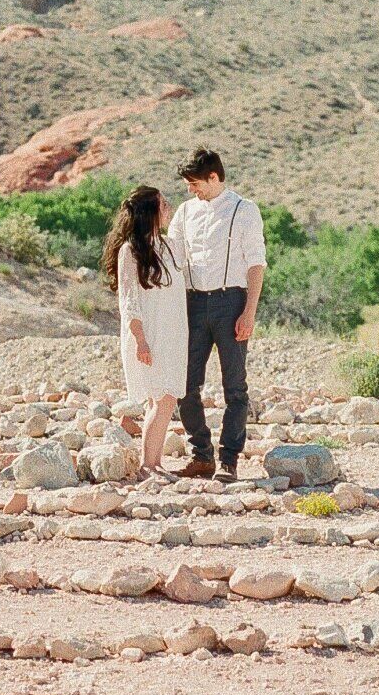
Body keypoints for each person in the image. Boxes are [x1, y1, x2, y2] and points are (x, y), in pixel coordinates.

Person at [169, 147, 266, 480]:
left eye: (195, 183)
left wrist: (249, 312)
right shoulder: (184, 212)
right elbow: (172, 258)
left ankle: (229, 460)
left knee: (235, 387)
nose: (191, 190)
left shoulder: (245, 209)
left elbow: (256, 263)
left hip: (232, 302)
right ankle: (202, 455)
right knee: (183, 383)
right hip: (193, 303)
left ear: (214, 177)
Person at [104, 183, 187, 475]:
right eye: (163, 205)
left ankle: (153, 463)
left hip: (173, 332)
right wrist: (141, 340)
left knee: (164, 398)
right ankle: (149, 465)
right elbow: (129, 301)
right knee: (162, 398)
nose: (168, 209)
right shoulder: (130, 251)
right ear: (150, 212)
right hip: (148, 334)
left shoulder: (170, 246)